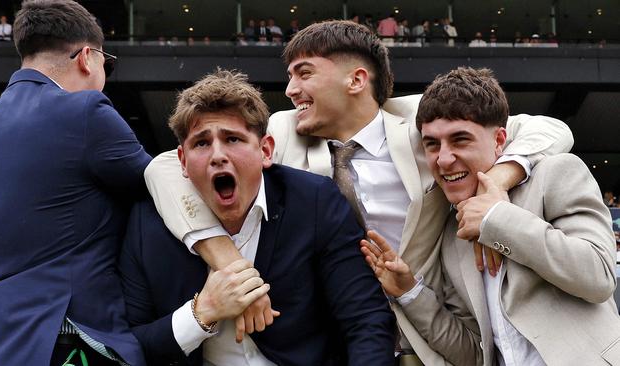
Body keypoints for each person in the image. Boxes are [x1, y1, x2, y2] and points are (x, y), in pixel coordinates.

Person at [144, 20, 573, 365]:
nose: (291, 89)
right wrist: (229, 261)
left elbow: (551, 129)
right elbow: (165, 166)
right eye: (289, 76)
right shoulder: (277, 131)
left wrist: (497, 181)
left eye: (303, 73)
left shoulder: (422, 126)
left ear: (356, 79)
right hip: (338, 340)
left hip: (437, 338)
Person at [119, 69, 395, 365]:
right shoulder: (147, 224)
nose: (217, 155)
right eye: (201, 143)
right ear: (182, 162)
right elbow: (130, 344)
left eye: (233, 139)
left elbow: (365, 319)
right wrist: (202, 312)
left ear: (265, 151)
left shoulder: (313, 201)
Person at [363, 67, 620, 366]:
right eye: (432, 144)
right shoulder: (449, 231)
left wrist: (495, 220)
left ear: (499, 140)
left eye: (460, 140)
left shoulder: (556, 173)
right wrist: (409, 293)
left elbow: (599, 276)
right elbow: (473, 353)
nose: (444, 159)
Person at [0, 0, 150, 365]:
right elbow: (160, 191)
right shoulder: (86, 110)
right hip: (73, 343)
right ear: (87, 56)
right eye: (107, 64)